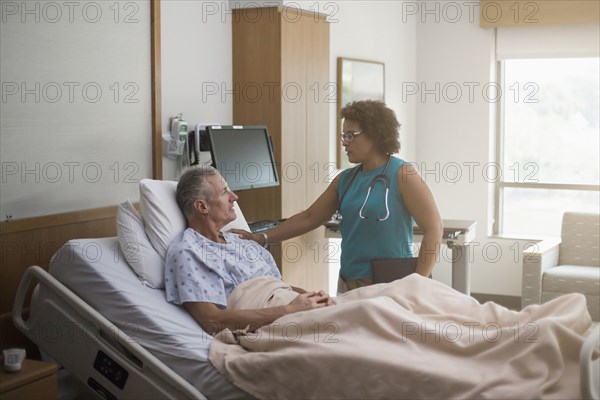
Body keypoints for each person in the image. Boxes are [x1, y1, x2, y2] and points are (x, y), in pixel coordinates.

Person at [233, 100, 443, 293]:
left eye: (351, 135)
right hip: (349, 282)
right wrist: (263, 237)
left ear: (376, 135)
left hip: (391, 284)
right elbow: (309, 217)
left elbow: (434, 229)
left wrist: (418, 282)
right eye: (343, 136)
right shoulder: (345, 179)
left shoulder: (403, 174)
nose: (344, 143)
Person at [165, 166, 334, 335]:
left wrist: (315, 298)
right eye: (224, 192)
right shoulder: (188, 251)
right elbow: (212, 320)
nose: (234, 197)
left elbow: (279, 288)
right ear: (202, 207)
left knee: (357, 304)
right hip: (274, 321)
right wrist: (291, 310)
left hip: (291, 304)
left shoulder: (241, 240)